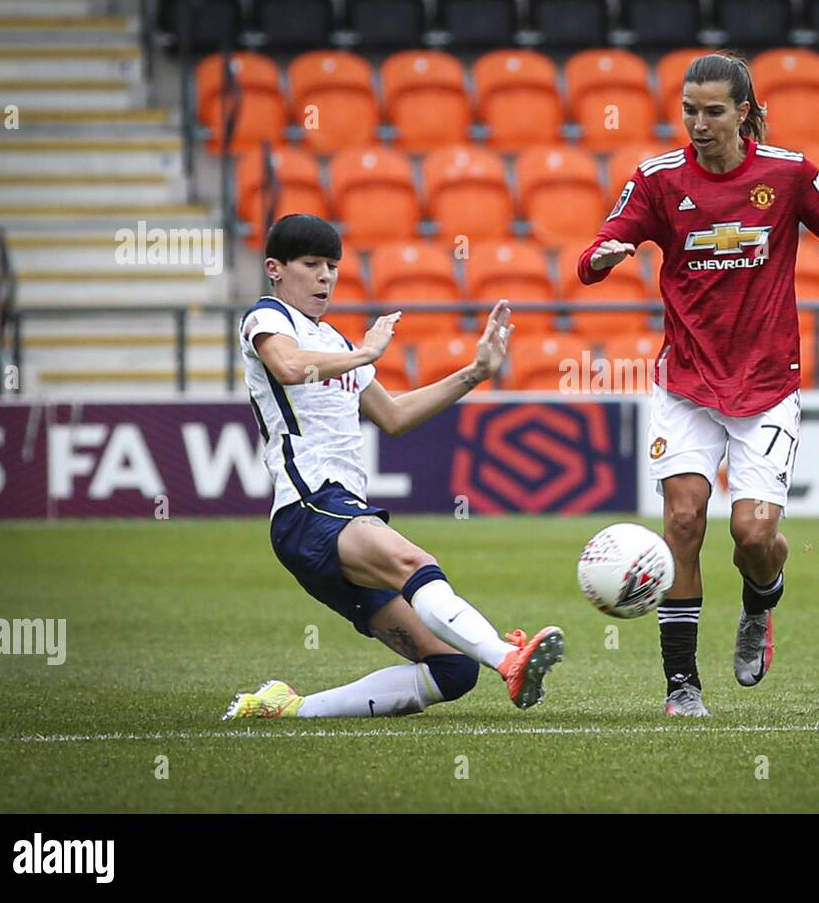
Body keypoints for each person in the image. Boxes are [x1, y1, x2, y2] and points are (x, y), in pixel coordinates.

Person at [575, 52, 819, 717]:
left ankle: (761, 602)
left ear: (743, 112)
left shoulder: (789, 175)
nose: (697, 122)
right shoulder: (659, 180)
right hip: (686, 384)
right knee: (684, 522)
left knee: (751, 535)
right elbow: (598, 250)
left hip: (768, 386)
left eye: (712, 110)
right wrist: (603, 258)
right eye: (689, 109)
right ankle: (682, 686)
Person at [224, 213, 564, 721]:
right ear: (275, 268)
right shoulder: (267, 318)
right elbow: (290, 368)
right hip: (311, 506)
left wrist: (474, 373)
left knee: (451, 668)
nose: (325, 277)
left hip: (336, 517)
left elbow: (395, 416)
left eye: (332, 266)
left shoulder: (337, 343)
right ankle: (508, 658)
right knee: (413, 564)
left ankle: (288, 709)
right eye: (312, 264)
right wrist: (366, 353)